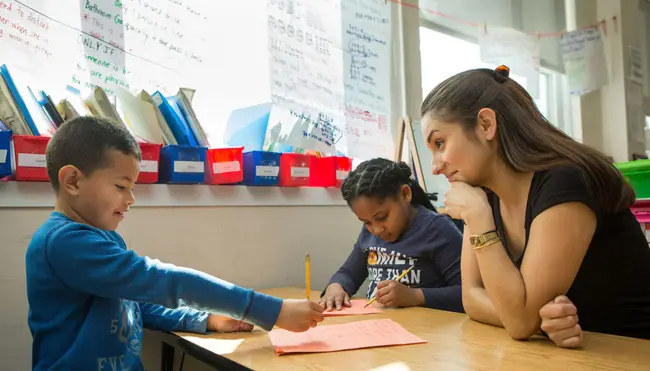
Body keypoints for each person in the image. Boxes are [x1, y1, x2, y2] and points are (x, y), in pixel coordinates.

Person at [25, 117, 325, 371]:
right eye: (121, 187)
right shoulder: (64, 242)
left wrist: (203, 319)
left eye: (132, 188)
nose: (130, 200)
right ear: (73, 181)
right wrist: (269, 310)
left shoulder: (102, 237)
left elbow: (137, 307)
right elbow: (168, 282)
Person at [420, 65, 650, 348]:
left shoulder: (565, 181)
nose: (435, 166)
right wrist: (535, 322)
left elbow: (519, 323)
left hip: (629, 352)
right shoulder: (482, 195)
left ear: (486, 125)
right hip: (564, 354)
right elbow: (472, 297)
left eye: (440, 143)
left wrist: (479, 219)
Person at [320, 158, 464, 313]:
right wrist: (336, 286)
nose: (376, 229)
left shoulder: (437, 229)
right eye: (366, 222)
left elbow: (469, 293)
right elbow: (348, 273)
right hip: (380, 327)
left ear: (405, 194)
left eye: (382, 217)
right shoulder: (369, 233)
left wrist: (416, 296)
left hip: (425, 329)